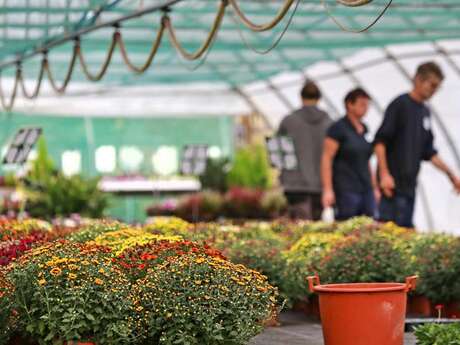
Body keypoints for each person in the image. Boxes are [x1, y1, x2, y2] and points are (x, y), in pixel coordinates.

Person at [374, 61, 460, 228]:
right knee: (387, 234)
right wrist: (384, 174)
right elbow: (380, 142)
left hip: (409, 186)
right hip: (392, 186)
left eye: (437, 87)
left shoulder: (424, 112)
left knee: (405, 234)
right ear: (418, 80)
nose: (434, 91)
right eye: (432, 85)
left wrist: (451, 175)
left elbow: (429, 153)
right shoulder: (400, 105)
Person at [321, 88, 379, 220]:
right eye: (362, 104)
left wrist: (374, 187)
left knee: (370, 225)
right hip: (346, 189)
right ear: (349, 104)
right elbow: (327, 159)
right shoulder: (337, 129)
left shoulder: (364, 129)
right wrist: (328, 189)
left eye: (367, 105)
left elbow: (367, 160)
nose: (366, 108)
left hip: (366, 188)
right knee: (348, 227)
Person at [277, 80, 332, 220]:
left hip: (295, 185)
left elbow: (278, 154)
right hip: (321, 185)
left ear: (301, 97)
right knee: (317, 231)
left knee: (299, 231)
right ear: (319, 98)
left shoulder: (288, 121)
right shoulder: (329, 123)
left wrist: (283, 177)